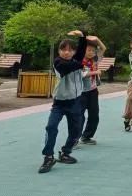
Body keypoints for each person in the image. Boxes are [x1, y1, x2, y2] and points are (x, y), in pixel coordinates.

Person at [38, 30, 87, 174]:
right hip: (59, 103)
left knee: (76, 131)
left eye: (70, 50)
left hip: (76, 102)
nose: (67, 52)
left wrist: (83, 36)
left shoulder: (76, 59)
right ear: (59, 51)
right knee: (51, 127)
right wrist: (81, 64)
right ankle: (48, 157)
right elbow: (67, 68)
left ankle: (65, 152)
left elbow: (81, 51)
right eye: (63, 49)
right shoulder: (58, 63)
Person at [77, 35, 106, 145]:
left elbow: (103, 49)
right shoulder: (79, 61)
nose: (91, 52)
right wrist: (95, 72)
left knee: (94, 114)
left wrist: (97, 40)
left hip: (93, 91)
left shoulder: (94, 60)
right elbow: (81, 74)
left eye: (93, 51)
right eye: (88, 50)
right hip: (81, 92)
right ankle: (75, 138)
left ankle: (86, 137)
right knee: (79, 116)